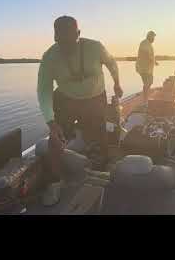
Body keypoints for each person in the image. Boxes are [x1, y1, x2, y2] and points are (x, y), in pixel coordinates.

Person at [37, 15, 123, 205]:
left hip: (95, 98)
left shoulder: (95, 47)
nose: (67, 46)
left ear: (79, 34)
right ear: (54, 38)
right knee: (56, 140)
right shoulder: (49, 57)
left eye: (71, 40)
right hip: (66, 99)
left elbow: (111, 63)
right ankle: (56, 181)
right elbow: (43, 90)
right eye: (61, 41)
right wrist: (51, 121)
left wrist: (117, 83)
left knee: (99, 137)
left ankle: (101, 169)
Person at [135, 30, 158, 103]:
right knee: (147, 83)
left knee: (149, 83)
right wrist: (151, 60)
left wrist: (154, 62)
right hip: (144, 68)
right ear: (149, 37)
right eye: (153, 37)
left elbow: (149, 55)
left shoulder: (148, 44)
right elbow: (145, 54)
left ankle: (145, 98)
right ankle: (145, 100)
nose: (154, 39)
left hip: (147, 69)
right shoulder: (144, 43)